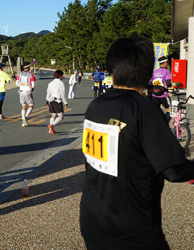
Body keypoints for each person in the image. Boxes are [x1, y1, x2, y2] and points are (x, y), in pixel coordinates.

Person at [79, 37, 194, 250]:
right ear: (146, 74)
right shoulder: (144, 110)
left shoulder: (95, 105)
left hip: (91, 217)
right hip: (130, 228)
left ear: (110, 71)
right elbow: (175, 171)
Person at [149, 56, 172, 122]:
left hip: (155, 95)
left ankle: (157, 124)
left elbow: (151, 83)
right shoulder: (166, 72)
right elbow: (168, 83)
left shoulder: (155, 72)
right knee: (169, 110)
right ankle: (165, 123)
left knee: (156, 111)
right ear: (165, 62)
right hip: (163, 95)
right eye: (167, 62)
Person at [46, 70, 68, 134]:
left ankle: (50, 130)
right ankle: (51, 125)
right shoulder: (61, 83)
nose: (62, 77)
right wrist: (65, 103)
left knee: (53, 115)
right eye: (62, 75)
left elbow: (48, 93)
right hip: (58, 101)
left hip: (51, 101)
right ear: (59, 76)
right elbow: (62, 94)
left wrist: (47, 101)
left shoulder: (50, 83)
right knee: (61, 116)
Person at [15, 62, 36, 127]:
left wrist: (22, 85)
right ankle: (25, 117)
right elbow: (33, 85)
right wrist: (31, 88)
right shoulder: (31, 75)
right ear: (29, 66)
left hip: (21, 91)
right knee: (31, 105)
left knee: (23, 106)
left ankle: (23, 122)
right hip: (27, 91)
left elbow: (17, 83)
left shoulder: (20, 73)